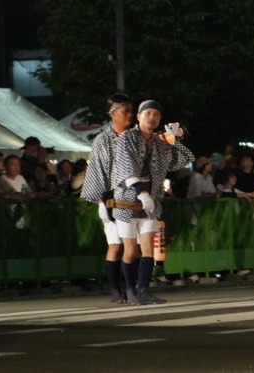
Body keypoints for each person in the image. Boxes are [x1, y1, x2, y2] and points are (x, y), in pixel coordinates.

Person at [111, 100, 193, 305]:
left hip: (151, 201)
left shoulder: (159, 142)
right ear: (139, 117)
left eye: (156, 114)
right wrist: (141, 192)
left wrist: (177, 139)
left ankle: (144, 291)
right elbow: (124, 168)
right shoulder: (127, 137)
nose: (152, 117)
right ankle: (130, 289)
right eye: (147, 113)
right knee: (130, 250)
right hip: (127, 200)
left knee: (148, 248)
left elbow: (182, 161)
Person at [79, 93, 133, 304]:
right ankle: (115, 289)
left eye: (131, 111)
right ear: (113, 113)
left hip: (132, 198)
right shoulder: (102, 140)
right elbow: (97, 170)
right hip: (109, 197)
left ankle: (131, 287)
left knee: (133, 246)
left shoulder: (135, 137)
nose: (129, 115)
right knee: (116, 244)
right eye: (125, 111)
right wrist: (102, 198)